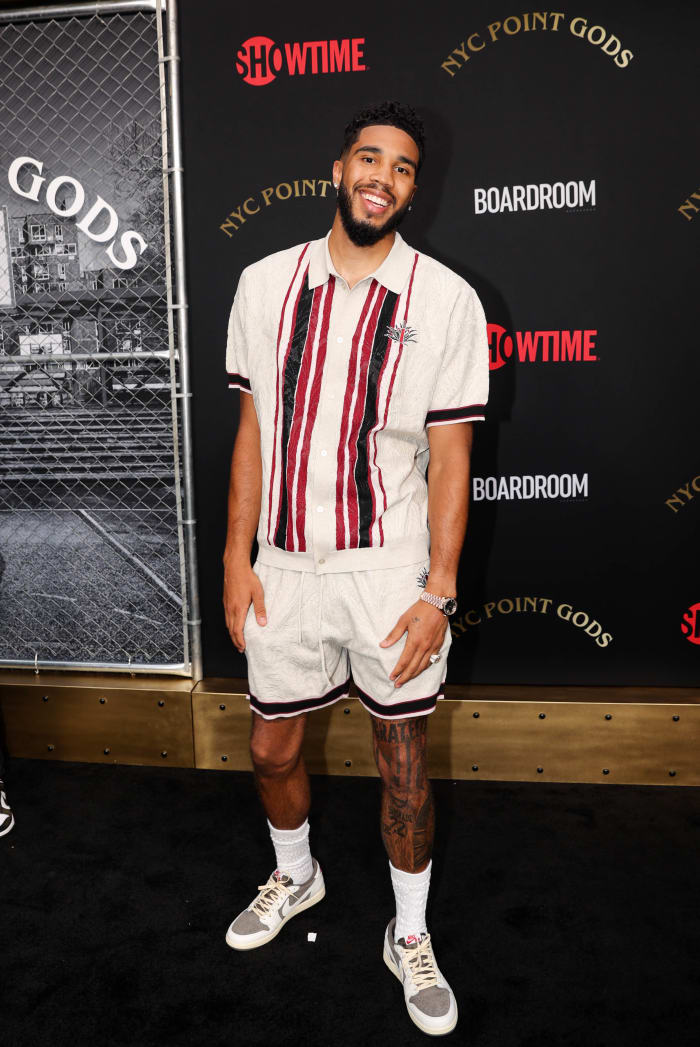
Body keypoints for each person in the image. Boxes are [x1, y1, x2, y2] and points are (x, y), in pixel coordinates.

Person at [222, 100, 488, 1037]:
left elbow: (452, 456)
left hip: (389, 570)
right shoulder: (262, 284)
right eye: (370, 159)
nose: (383, 176)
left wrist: (438, 590)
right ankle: (297, 876)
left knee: (404, 762)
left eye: (404, 167)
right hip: (284, 568)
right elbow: (253, 429)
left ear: (413, 189)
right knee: (269, 748)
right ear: (339, 168)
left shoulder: (447, 299)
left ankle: (408, 935)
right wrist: (234, 557)